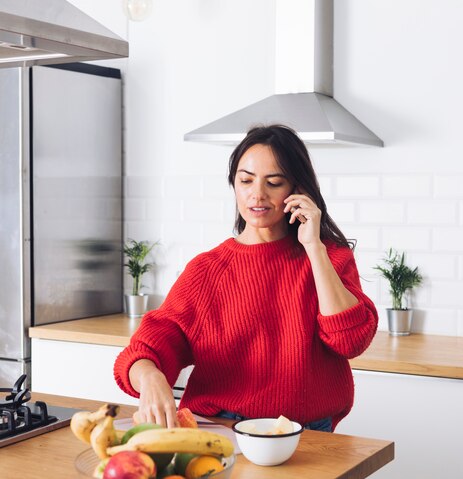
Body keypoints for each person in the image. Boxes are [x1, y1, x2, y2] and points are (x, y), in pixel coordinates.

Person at [113, 124, 378, 432]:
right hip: (219, 425)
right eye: (246, 180)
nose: (257, 194)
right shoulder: (207, 270)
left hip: (306, 432)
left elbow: (351, 341)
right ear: (234, 185)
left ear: (297, 189)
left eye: (274, 182)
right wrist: (150, 376)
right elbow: (146, 349)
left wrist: (313, 246)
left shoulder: (328, 257)